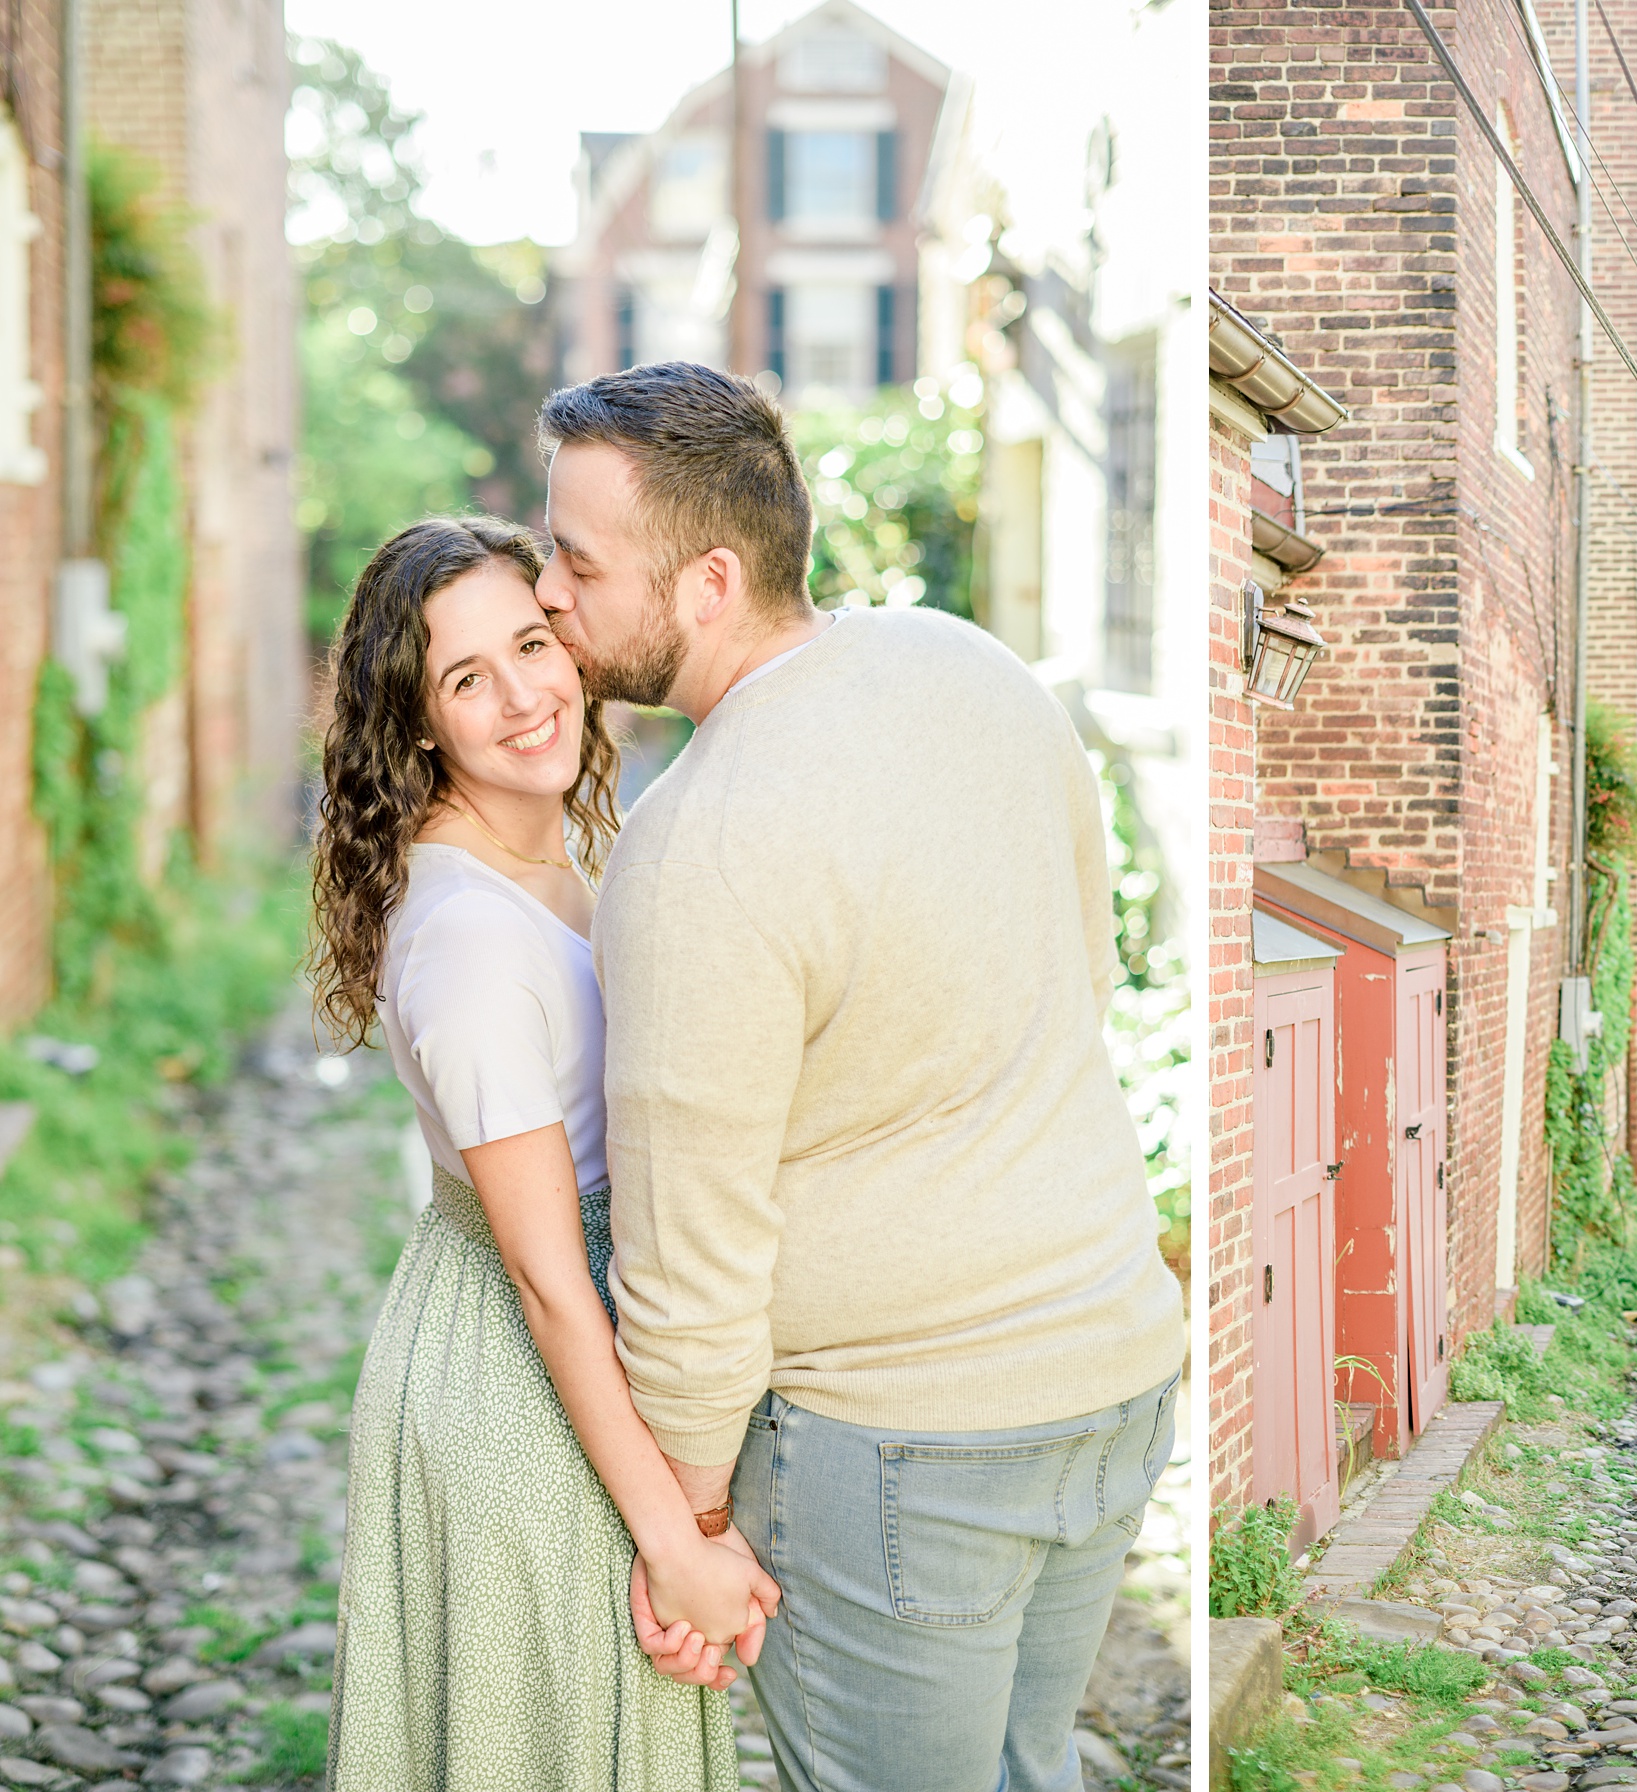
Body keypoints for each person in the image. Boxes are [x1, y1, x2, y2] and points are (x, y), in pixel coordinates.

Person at [531, 362, 1187, 1792]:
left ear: (706, 582)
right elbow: (1082, 974)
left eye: (577, 562)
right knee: (1033, 1769)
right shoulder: (973, 665)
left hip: (906, 1451)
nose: (546, 598)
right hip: (1118, 1369)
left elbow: (692, 1256)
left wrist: (686, 1524)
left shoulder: (696, 841)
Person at [309, 516, 779, 1789]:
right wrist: (677, 1536)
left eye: (531, 642)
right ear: (417, 724)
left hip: (594, 1358)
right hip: (525, 1388)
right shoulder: (466, 938)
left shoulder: (562, 848)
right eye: (467, 678)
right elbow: (547, 1280)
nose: (524, 695)